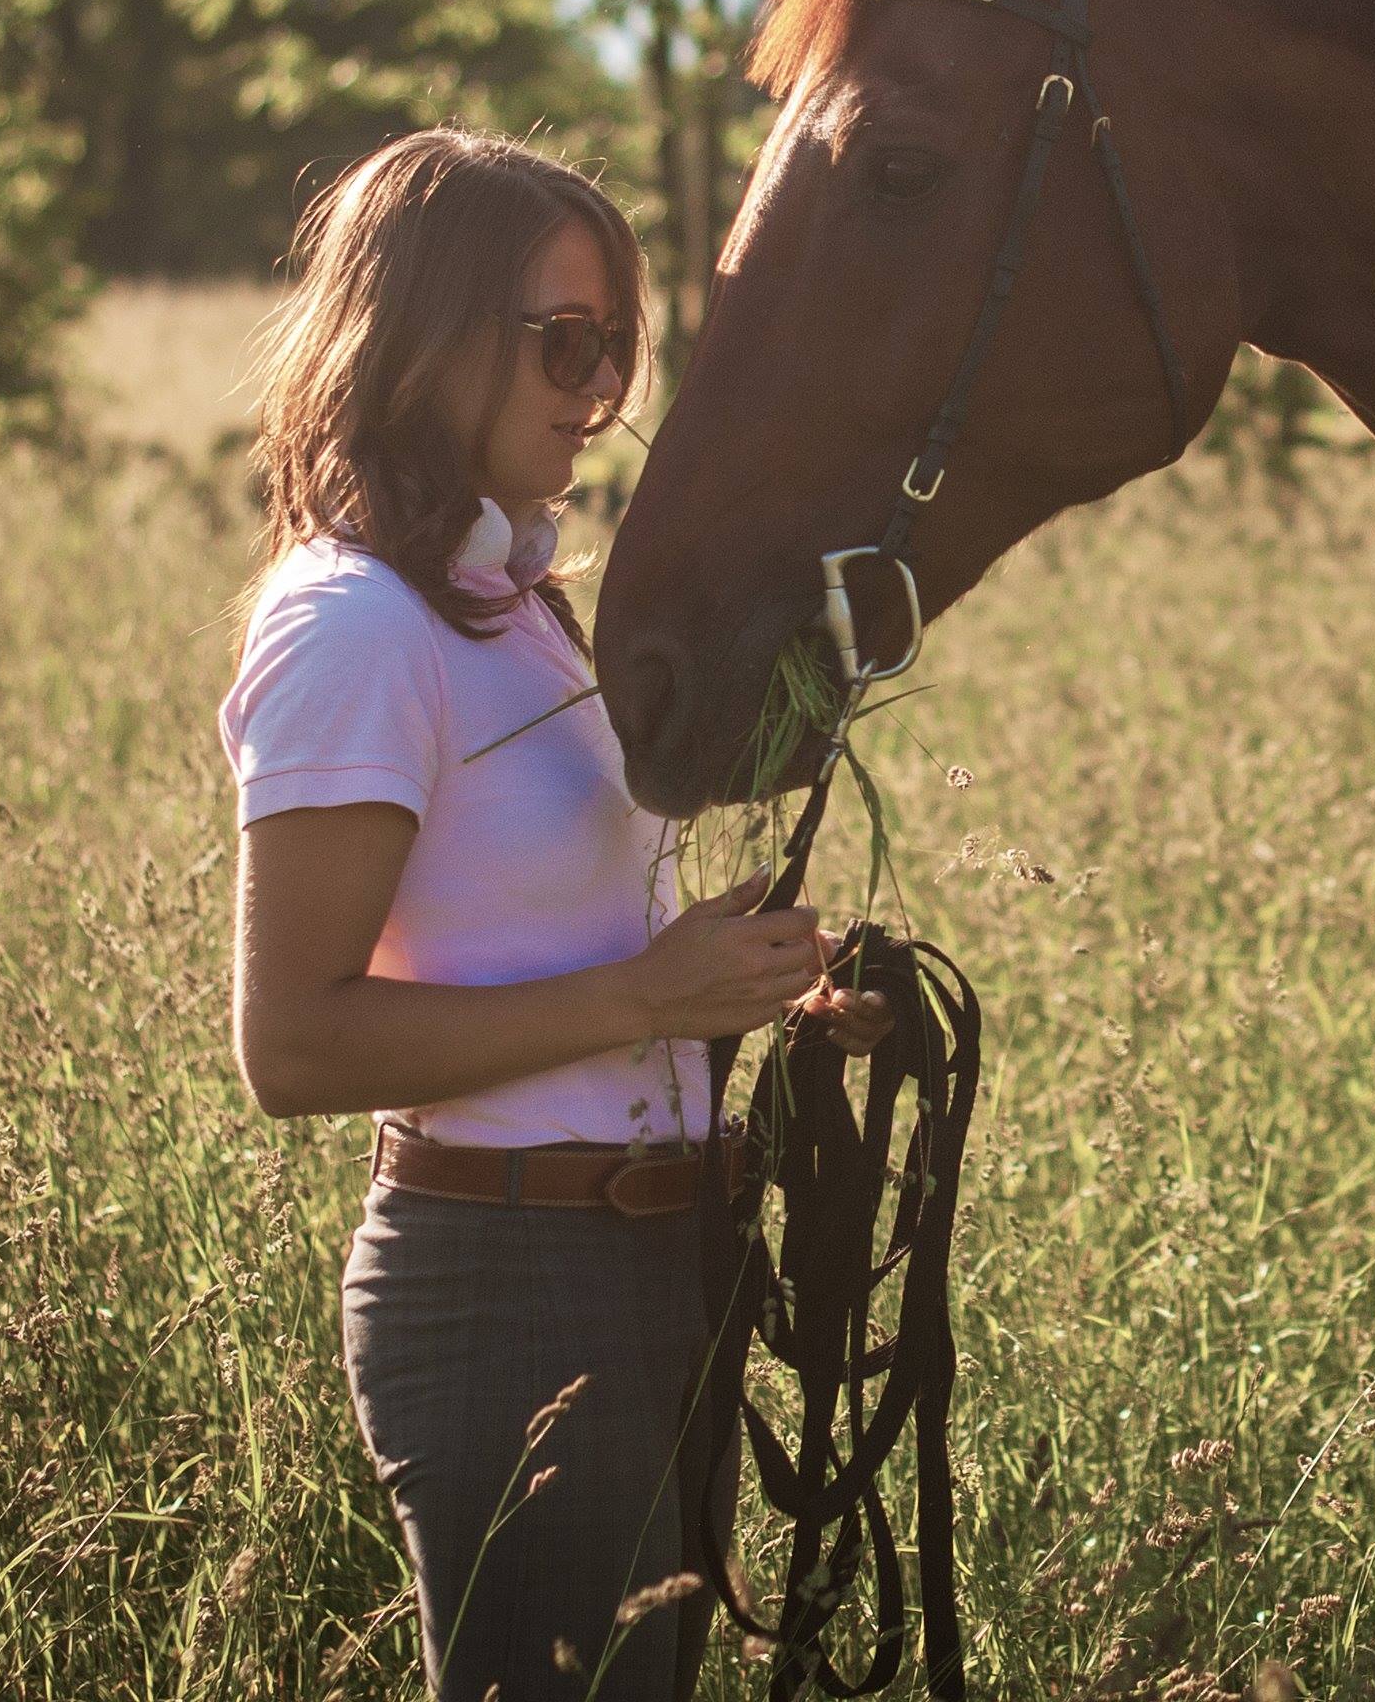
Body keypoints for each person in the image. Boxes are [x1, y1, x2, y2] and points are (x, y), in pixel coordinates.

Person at [216, 126, 888, 1699]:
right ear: (419, 334)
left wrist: (755, 991)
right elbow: (294, 1045)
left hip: (655, 1267)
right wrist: (651, 1000)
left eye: (617, 348)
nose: (599, 393)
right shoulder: (354, 629)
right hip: (504, 1282)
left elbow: (568, 945)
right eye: (562, 343)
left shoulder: (518, 609)